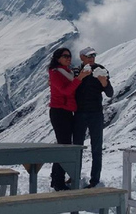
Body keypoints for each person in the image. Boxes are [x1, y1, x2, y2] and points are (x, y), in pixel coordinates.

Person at [48, 47, 91, 191]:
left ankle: (56, 179)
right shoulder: (55, 73)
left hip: (66, 112)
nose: (68, 58)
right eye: (65, 56)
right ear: (58, 58)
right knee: (64, 146)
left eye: (69, 56)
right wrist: (79, 79)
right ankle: (58, 182)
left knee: (63, 145)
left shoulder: (68, 72)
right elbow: (66, 90)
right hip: (59, 112)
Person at [73, 47, 114, 188]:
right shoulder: (76, 72)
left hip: (95, 113)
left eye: (94, 55)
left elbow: (110, 93)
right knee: (76, 147)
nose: (92, 58)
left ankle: (94, 180)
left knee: (96, 148)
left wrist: (104, 82)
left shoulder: (100, 70)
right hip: (79, 113)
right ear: (82, 57)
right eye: (89, 56)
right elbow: (70, 90)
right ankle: (74, 176)